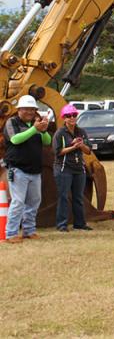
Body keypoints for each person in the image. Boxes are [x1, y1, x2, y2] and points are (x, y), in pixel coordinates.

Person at [3, 94, 51, 243]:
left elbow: (47, 141)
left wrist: (43, 130)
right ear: (19, 110)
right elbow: (15, 139)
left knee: (34, 202)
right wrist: (34, 129)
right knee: (18, 202)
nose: (30, 112)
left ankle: (29, 231)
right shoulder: (12, 122)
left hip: (35, 171)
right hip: (18, 170)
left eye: (32, 110)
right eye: (27, 109)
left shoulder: (34, 125)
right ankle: (11, 233)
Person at [53, 104, 92, 232]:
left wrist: (81, 145)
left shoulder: (81, 132)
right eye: (69, 116)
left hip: (78, 169)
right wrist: (73, 147)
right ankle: (62, 224)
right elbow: (57, 152)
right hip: (64, 168)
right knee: (63, 196)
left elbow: (88, 151)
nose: (72, 118)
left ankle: (80, 223)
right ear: (64, 118)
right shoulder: (60, 133)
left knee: (78, 197)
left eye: (74, 115)